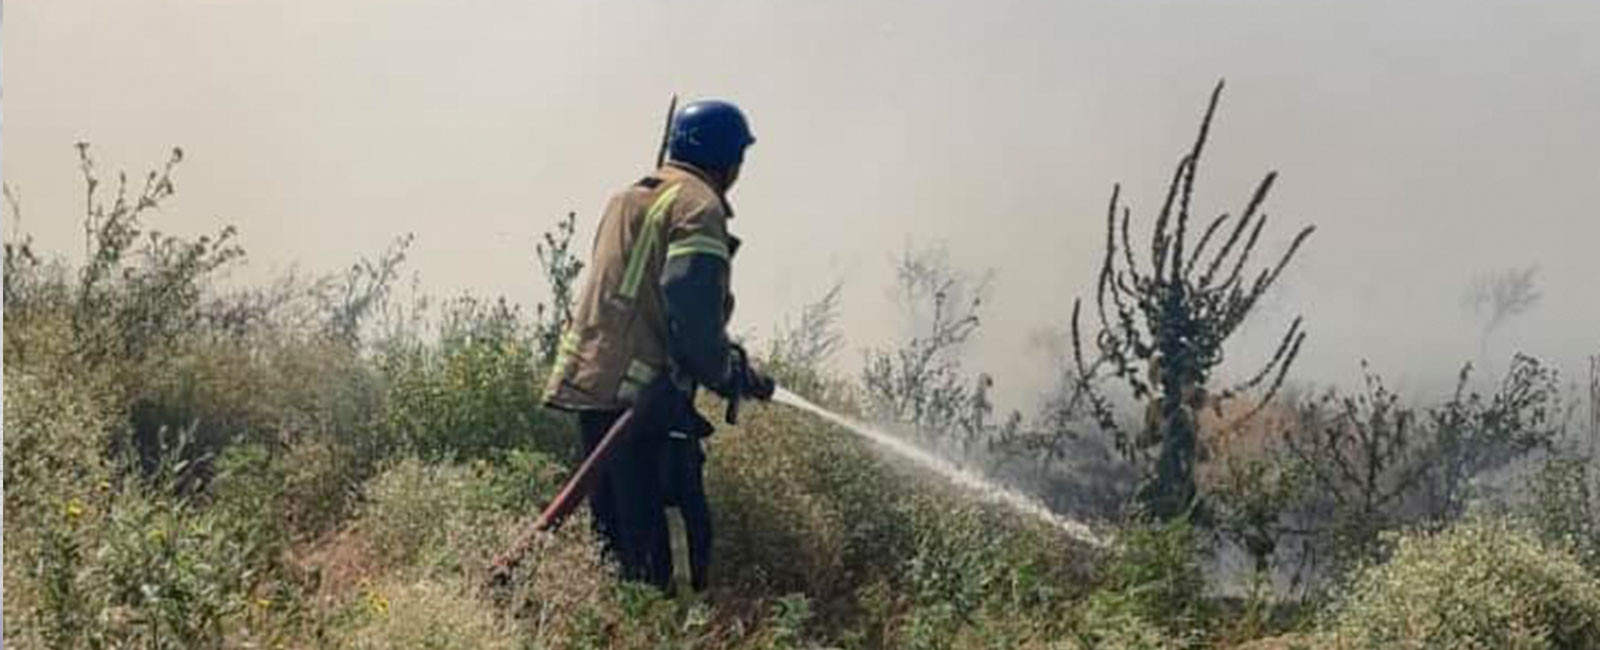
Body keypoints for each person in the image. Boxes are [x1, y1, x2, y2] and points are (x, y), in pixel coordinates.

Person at [541, 98, 774, 591]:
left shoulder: (628, 199)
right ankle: (668, 621)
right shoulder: (699, 207)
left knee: (615, 535)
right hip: (647, 400)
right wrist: (727, 372)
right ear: (728, 159)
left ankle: (619, 618)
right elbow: (691, 311)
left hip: (596, 388)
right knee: (672, 534)